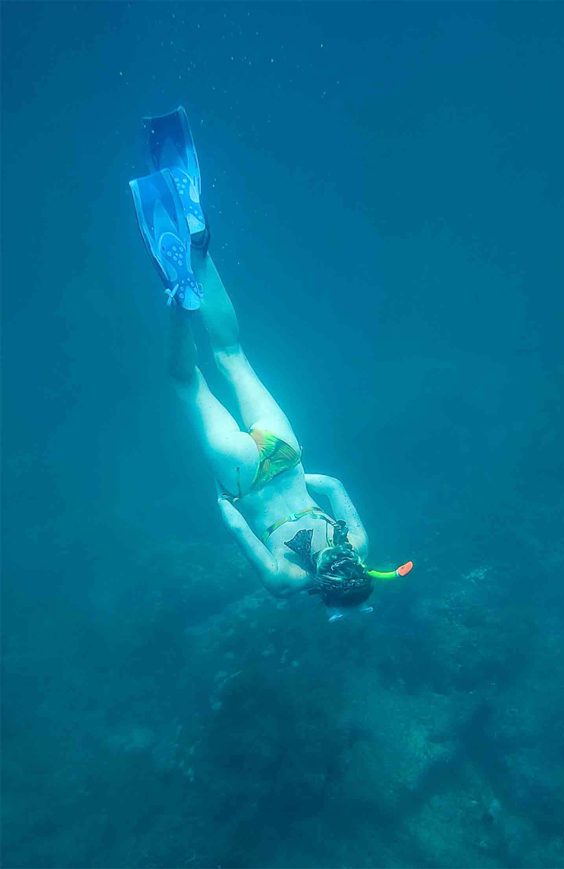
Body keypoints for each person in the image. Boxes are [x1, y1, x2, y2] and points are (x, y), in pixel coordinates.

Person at [128, 107, 410, 618]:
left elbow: (334, 485)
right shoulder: (285, 582)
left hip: (287, 455)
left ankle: (200, 252)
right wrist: (222, 497)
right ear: (327, 592)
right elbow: (234, 525)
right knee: (187, 381)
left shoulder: (362, 546)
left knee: (233, 355)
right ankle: (178, 301)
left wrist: (304, 477)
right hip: (241, 478)